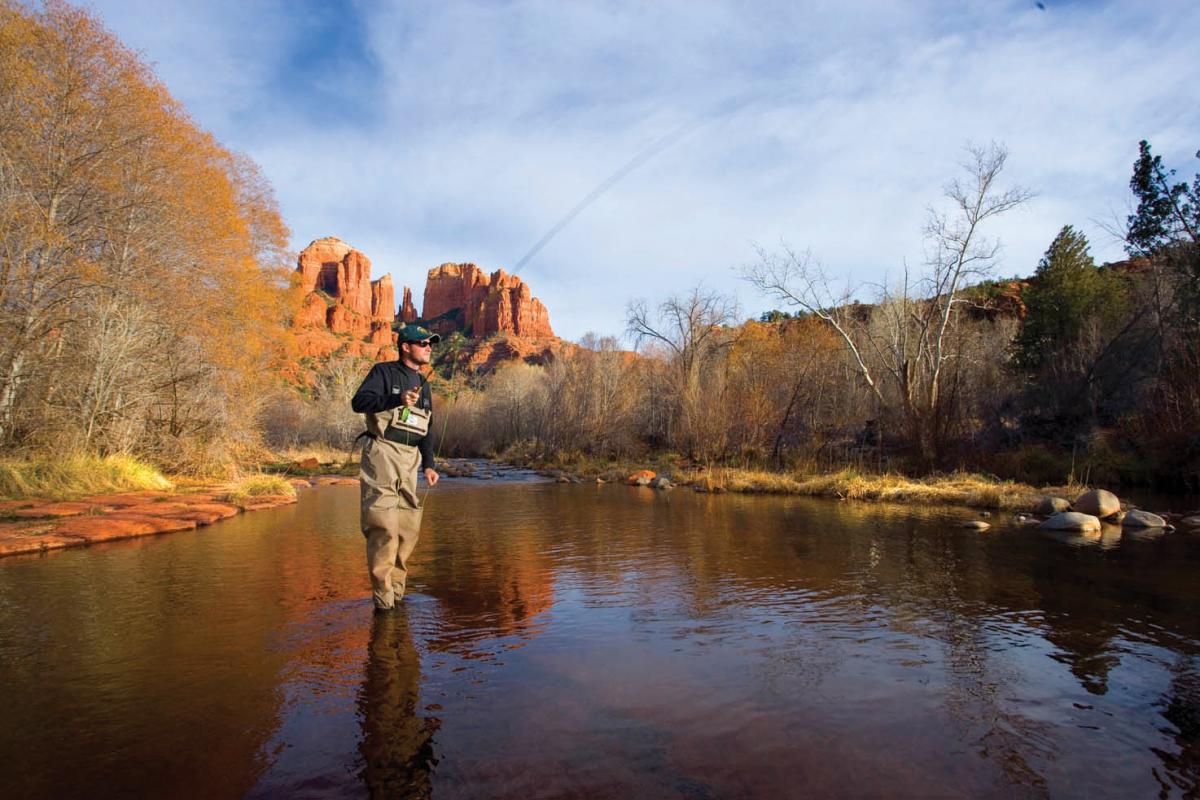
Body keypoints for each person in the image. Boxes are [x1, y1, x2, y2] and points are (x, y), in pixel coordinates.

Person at [351, 324, 441, 611]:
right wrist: (396, 399)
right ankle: (383, 600)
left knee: (407, 530)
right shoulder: (383, 372)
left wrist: (429, 464)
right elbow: (359, 402)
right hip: (382, 453)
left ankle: (397, 597)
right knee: (383, 526)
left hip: (410, 459)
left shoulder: (424, 384)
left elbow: (427, 429)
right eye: (423, 342)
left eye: (430, 344)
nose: (429, 347)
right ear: (405, 346)